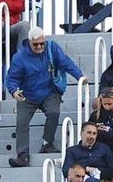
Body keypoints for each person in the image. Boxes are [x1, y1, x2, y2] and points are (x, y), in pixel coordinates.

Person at [5, 30, 83, 167]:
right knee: (21, 123)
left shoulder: (52, 47)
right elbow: (12, 78)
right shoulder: (19, 57)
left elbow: (66, 63)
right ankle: (23, 155)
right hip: (27, 95)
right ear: (29, 43)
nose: (40, 47)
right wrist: (13, 91)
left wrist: (80, 76)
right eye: (36, 45)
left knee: (54, 112)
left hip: (50, 92)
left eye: (42, 43)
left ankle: (47, 143)